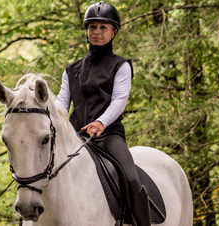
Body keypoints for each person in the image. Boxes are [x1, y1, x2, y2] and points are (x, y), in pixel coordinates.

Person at [55, 1, 149, 225]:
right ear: (87, 30)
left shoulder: (121, 66)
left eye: (103, 27)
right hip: (75, 137)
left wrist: (101, 123)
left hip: (108, 136)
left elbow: (119, 101)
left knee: (132, 179)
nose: (96, 32)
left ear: (113, 31)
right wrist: (55, 119)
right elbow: (62, 101)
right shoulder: (72, 69)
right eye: (92, 27)